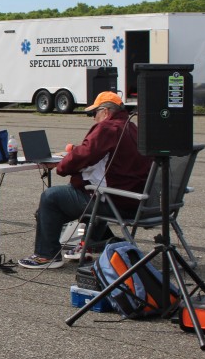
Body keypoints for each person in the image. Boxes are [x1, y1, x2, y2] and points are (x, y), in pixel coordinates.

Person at [18, 91, 152, 269]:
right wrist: (76, 151)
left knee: (51, 197)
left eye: (94, 113)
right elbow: (101, 156)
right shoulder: (133, 128)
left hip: (115, 202)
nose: (93, 118)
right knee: (88, 189)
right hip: (136, 201)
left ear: (105, 112)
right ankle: (93, 242)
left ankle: (46, 255)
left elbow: (82, 157)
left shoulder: (107, 128)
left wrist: (61, 165)